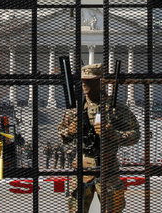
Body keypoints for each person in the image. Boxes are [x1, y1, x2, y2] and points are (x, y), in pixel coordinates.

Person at [58, 63, 141, 213]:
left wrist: (114, 134)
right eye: (83, 81)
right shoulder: (75, 110)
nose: (85, 84)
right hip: (82, 168)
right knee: (76, 209)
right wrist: (70, 131)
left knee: (112, 210)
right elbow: (63, 137)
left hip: (108, 166)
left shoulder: (116, 109)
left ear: (100, 82)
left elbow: (136, 134)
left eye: (90, 81)